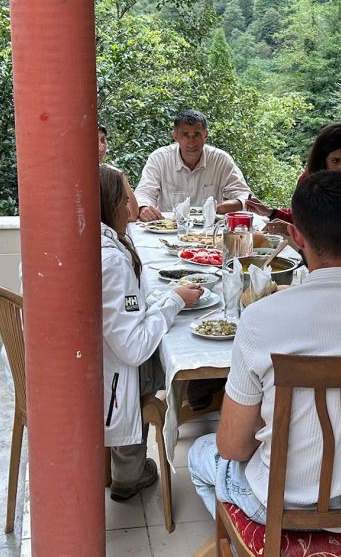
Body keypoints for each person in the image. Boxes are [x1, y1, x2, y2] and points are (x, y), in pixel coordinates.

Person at [188, 170, 341, 524]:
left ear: (296, 235)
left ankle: (254, 546)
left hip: (279, 506)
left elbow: (234, 447)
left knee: (201, 454)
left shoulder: (260, 319)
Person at [98, 164, 204, 502]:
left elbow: (124, 313)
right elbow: (132, 348)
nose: (130, 206)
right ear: (112, 203)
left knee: (174, 333)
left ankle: (202, 400)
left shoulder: (92, 242)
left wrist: (162, 300)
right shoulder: (111, 261)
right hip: (111, 375)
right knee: (183, 346)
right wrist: (173, 301)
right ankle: (128, 471)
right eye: (124, 196)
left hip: (93, 359)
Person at [244, 123, 341, 234]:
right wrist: (272, 212)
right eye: (336, 161)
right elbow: (305, 219)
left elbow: (336, 240)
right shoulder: (310, 181)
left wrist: (289, 230)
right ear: (322, 160)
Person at [134, 109, 252, 221]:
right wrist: (143, 208)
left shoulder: (220, 160)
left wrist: (229, 205)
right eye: (185, 135)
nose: (191, 142)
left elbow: (245, 195)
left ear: (206, 135)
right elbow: (144, 192)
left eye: (197, 135)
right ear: (175, 136)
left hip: (209, 231)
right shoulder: (159, 158)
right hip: (169, 229)